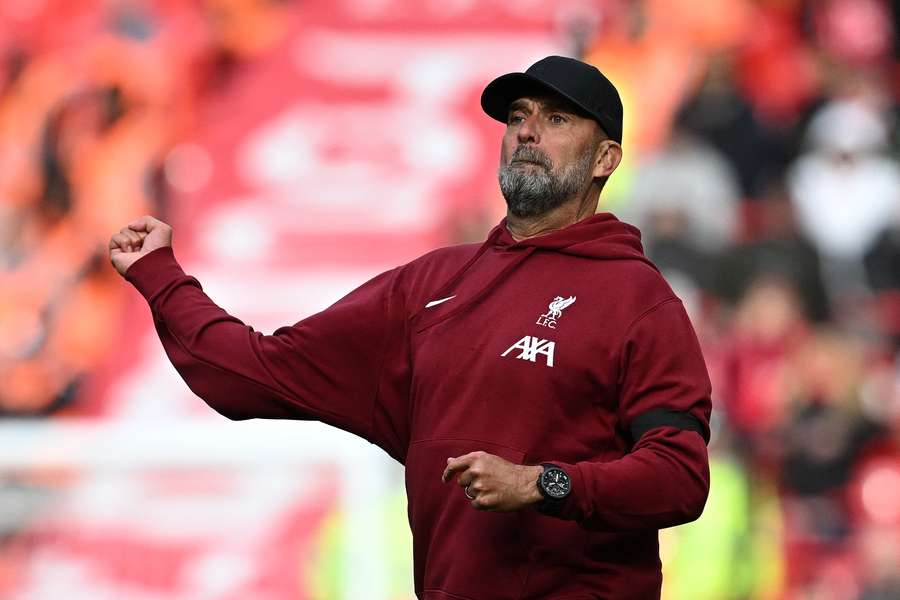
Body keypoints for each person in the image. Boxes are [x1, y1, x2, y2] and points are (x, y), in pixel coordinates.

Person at [108, 56, 712, 600]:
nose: (527, 131)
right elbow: (250, 374)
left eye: (557, 121)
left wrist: (544, 483)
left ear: (605, 158)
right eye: (519, 117)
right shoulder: (431, 287)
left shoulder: (641, 301)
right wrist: (161, 277)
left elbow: (680, 478)